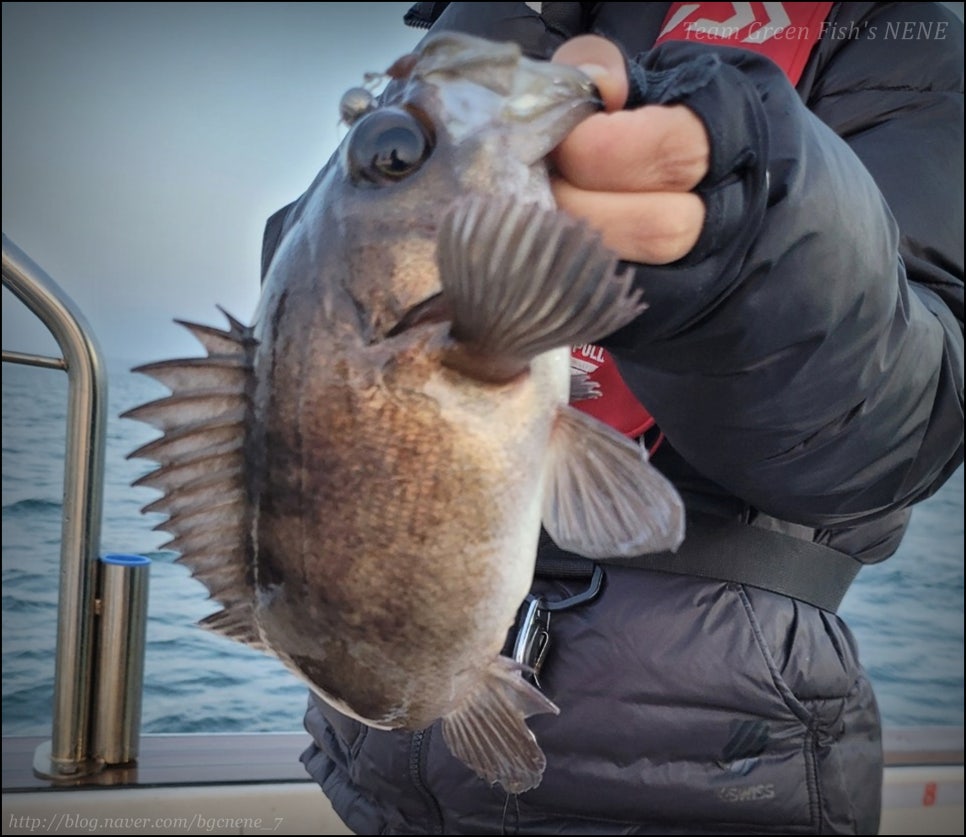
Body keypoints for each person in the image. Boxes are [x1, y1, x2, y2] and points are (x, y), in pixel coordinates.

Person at [262, 2, 964, 834]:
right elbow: (307, 314)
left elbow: (897, 427)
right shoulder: (505, 18)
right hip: (381, 775)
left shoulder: (898, 40)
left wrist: (742, 239)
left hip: (715, 754)